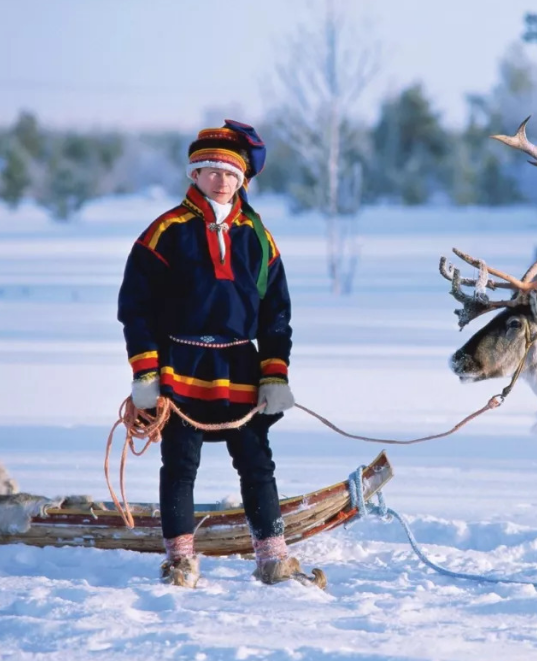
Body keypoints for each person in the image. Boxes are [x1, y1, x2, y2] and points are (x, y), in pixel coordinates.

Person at [117, 120, 323, 589]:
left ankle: (273, 557)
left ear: (242, 179)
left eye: (230, 173)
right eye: (210, 170)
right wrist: (146, 374)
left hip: (240, 367)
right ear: (194, 174)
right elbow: (136, 309)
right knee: (180, 464)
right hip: (180, 365)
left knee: (256, 462)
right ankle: (181, 560)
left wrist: (275, 375)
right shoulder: (164, 231)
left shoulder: (258, 235)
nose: (221, 180)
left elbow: (277, 313)